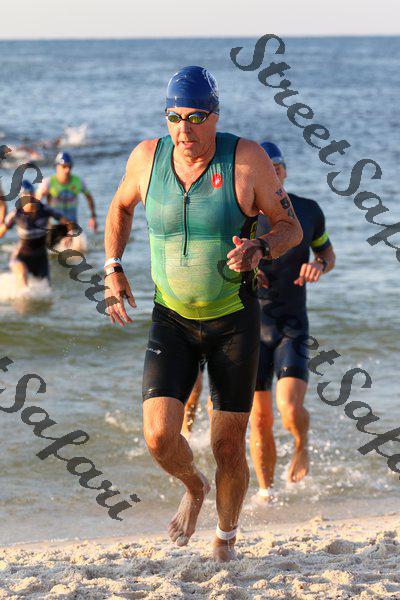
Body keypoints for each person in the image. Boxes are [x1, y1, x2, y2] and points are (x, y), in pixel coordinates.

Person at [103, 66, 303, 562]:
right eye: (174, 117)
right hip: (171, 318)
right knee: (158, 436)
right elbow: (120, 206)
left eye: (195, 117)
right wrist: (112, 266)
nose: (184, 129)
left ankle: (226, 539)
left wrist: (260, 246)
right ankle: (194, 487)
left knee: (228, 445)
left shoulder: (246, 160)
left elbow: (290, 226)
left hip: (233, 319)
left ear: (215, 116)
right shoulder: (146, 159)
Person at [249, 142, 335, 502]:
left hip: (292, 326)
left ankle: (301, 443)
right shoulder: (241, 215)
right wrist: (242, 271)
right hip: (250, 329)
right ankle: (266, 493)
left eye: (277, 167)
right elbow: (220, 261)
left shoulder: (308, 210)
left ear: (284, 171)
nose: (273, 174)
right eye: (265, 169)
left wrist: (320, 265)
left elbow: (326, 252)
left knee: (289, 408)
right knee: (259, 419)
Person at [0, 180, 73, 287]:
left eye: (31, 194)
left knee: (46, 289)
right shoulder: (15, 215)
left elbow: (68, 223)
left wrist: (69, 235)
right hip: (21, 257)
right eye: (26, 195)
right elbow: (1, 232)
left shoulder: (45, 210)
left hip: (40, 258)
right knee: (23, 278)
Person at [36, 152, 97, 249]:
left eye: (70, 167)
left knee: (80, 249)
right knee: (51, 252)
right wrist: (41, 195)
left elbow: (89, 197)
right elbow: (36, 203)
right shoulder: (48, 183)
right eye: (64, 166)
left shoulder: (78, 181)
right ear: (57, 167)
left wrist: (93, 217)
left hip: (72, 225)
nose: (67, 170)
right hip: (55, 225)